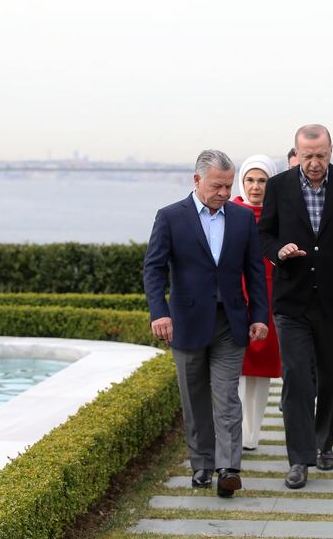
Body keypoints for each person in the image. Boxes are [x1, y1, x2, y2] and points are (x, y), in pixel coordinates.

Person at [143, 149, 269, 499]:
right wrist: (160, 312)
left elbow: (254, 272)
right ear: (197, 180)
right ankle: (201, 464)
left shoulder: (243, 220)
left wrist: (259, 315)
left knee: (228, 396)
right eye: (218, 186)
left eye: (229, 186)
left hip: (231, 322)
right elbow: (153, 270)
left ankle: (229, 469)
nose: (225, 194)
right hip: (186, 323)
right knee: (195, 399)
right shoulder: (169, 217)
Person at [258, 124, 333, 489]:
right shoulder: (278, 187)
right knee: (296, 379)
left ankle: (324, 443)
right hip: (291, 301)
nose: (314, 163)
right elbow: (264, 234)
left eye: (320, 156)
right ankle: (299, 459)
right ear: (296, 153)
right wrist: (278, 253)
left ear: (331, 151)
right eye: (307, 156)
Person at [232, 154, 281, 450]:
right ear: (242, 181)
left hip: (271, 294)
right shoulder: (230, 212)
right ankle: (235, 431)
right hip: (236, 293)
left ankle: (252, 435)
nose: (255, 187)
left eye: (262, 180)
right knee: (235, 365)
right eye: (250, 179)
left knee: (261, 366)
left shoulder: (280, 215)